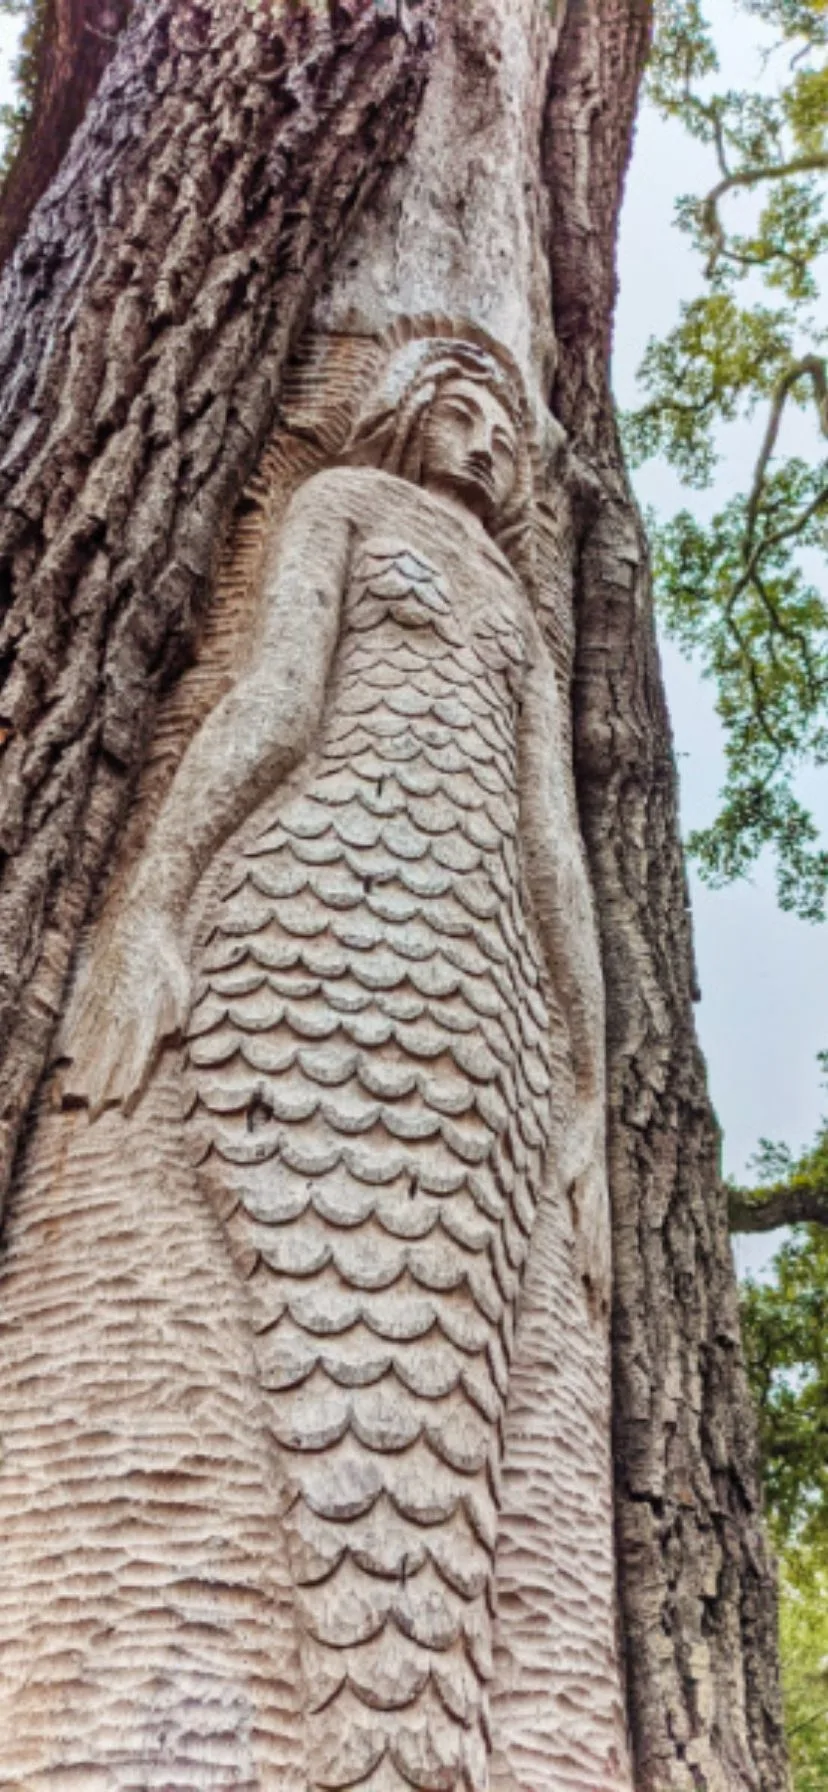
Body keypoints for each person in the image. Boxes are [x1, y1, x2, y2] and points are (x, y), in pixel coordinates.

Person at [64, 331, 618, 1792]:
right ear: (397, 405)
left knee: (443, 1365)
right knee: (321, 1323)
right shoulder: (344, 512)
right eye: (465, 408)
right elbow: (271, 702)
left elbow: (555, 849)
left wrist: (585, 1093)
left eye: (512, 431)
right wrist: (150, 918)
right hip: (310, 924)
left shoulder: (513, 601)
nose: (492, 446)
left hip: (479, 999)